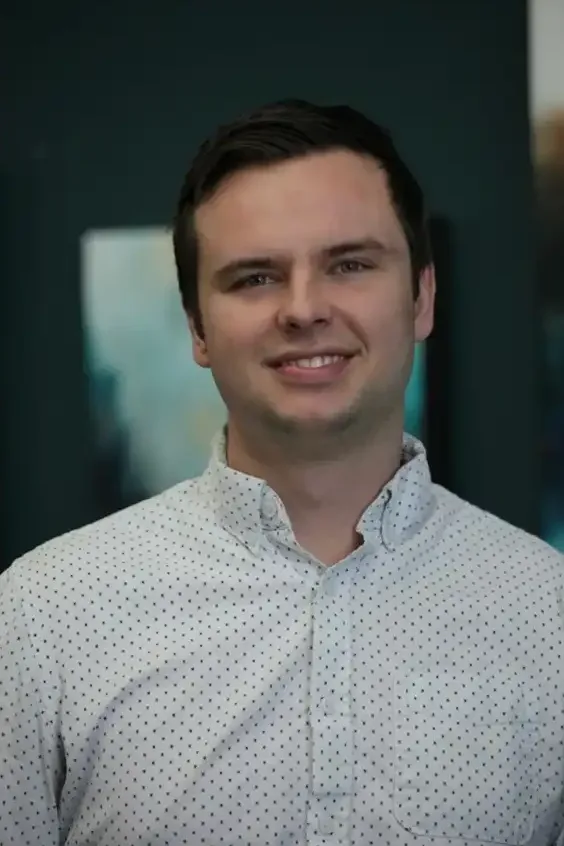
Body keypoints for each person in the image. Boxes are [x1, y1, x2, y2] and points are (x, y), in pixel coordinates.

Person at [1, 99, 563, 846]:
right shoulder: (41, 617)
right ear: (198, 327)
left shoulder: (548, 614)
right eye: (256, 277)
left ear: (422, 297)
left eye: (350, 264)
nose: (303, 309)